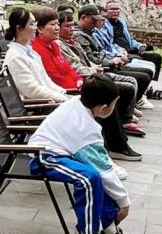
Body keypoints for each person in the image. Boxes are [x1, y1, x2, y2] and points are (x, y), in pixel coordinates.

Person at [29, 74, 144, 234]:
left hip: (65, 152)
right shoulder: (84, 127)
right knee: (88, 178)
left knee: (97, 177)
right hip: (44, 156)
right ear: (104, 107)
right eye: (114, 104)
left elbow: (101, 163)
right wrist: (124, 203)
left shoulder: (79, 103)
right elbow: (103, 170)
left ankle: (110, 229)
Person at [32, 8, 142, 160]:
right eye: (53, 24)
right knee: (103, 94)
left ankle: (116, 141)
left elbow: (68, 69)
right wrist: (76, 86)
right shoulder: (38, 49)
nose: (57, 28)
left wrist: (79, 80)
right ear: (40, 28)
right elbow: (55, 77)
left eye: (58, 24)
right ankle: (116, 146)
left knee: (108, 89)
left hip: (74, 84)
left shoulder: (54, 45)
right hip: (63, 92)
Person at [73, 5, 154, 110]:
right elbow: (91, 58)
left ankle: (132, 106)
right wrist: (112, 61)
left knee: (146, 69)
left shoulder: (90, 32)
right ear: (84, 17)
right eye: (94, 20)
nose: (96, 23)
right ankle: (127, 112)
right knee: (135, 81)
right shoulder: (78, 35)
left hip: (106, 64)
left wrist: (116, 58)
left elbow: (102, 51)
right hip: (98, 70)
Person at [103, 2, 162, 80]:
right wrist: (119, 52)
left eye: (117, 9)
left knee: (157, 57)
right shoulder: (103, 24)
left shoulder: (122, 22)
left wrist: (139, 45)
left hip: (131, 50)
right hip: (119, 53)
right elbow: (107, 44)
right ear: (106, 11)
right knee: (145, 68)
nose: (115, 11)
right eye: (112, 9)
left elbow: (130, 39)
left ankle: (151, 81)